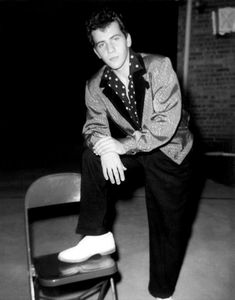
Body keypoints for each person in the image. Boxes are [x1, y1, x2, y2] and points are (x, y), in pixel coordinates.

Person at [58, 7, 194, 300]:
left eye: (115, 39)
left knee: (166, 224)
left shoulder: (159, 66)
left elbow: (165, 124)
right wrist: (105, 149)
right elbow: (92, 127)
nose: (110, 48)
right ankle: (96, 235)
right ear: (96, 52)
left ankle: (162, 291)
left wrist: (121, 145)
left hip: (171, 150)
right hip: (136, 146)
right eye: (102, 44)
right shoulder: (94, 85)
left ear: (128, 39)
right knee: (92, 156)